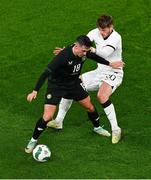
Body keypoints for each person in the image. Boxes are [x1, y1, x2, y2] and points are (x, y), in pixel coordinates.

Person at [25, 35, 124, 153]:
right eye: (83, 51)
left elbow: (92, 56)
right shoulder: (62, 57)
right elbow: (46, 72)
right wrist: (35, 90)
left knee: (90, 106)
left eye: (86, 51)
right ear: (76, 46)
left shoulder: (84, 52)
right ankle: (33, 140)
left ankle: (97, 128)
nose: (85, 53)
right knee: (47, 117)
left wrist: (109, 64)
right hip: (57, 86)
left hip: (73, 84)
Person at [47, 15, 124, 144]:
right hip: (100, 71)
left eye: (104, 30)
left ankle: (116, 129)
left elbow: (104, 54)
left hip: (114, 71)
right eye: (100, 29)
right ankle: (59, 121)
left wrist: (89, 49)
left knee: (102, 96)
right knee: (71, 83)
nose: (101, 33)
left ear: (111, 27)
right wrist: (68, 51)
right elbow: (81, 43)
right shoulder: (95, 32)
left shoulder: (116, 38)